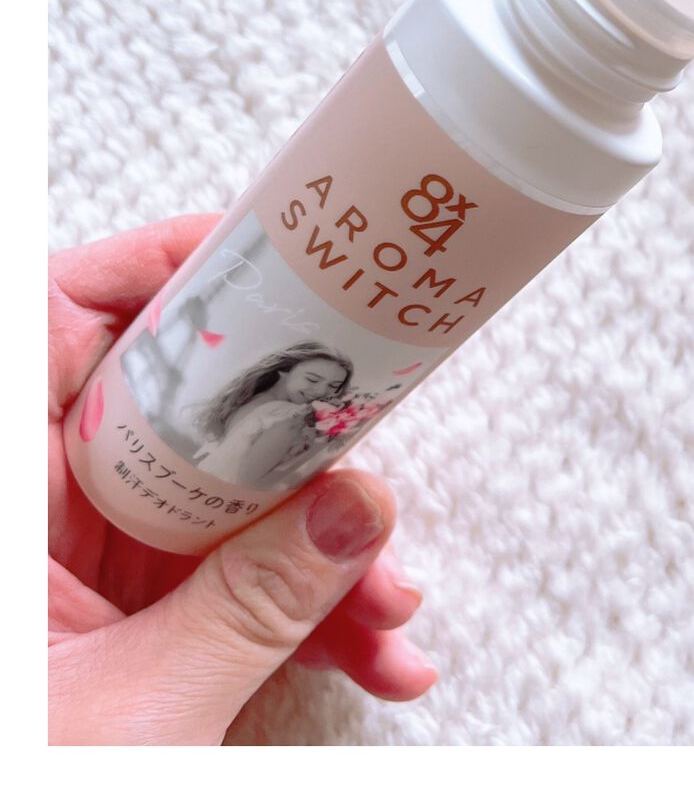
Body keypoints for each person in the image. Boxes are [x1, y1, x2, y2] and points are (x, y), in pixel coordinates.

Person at [48, 215, 437, 745]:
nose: (318, 392)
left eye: (329, 389)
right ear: (286, 369)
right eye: (314, 378)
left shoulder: (290, 422)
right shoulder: (242, 405)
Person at [191, 343, 354, 489]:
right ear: (285, 370)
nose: (322, 391)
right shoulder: (290, 415)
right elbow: (247, 482)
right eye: (312, 380)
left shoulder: (247, 399)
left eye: (333, 386)